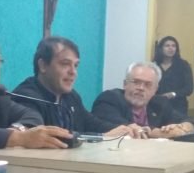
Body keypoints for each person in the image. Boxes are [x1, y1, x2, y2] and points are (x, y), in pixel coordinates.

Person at [12, 36, 142, 139]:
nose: (73, 72)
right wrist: (102, 137)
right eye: (65, 64)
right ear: (43, 66)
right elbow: (50, 138)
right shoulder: (26, 97)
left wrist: (125, 128)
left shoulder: (71, 96)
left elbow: (92, 123)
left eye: (76, 65)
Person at [92, 62, 194, 138]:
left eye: (148, 85)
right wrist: (160, 133)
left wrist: (185, 127)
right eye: (136, 82)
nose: (141, 88)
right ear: (125, 84)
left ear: (155, 90)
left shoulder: (159, 103)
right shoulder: (109, 99)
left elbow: (191, 120)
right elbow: (126, 128)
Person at [153, 36, 194, 115]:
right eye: (167, 46)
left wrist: (173, 94)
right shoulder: (154, 65)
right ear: (161, 48)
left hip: (178, 106)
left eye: (173, 46)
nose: (171, 48)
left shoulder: (183, 65)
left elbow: (189, 89)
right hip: (158, 105)